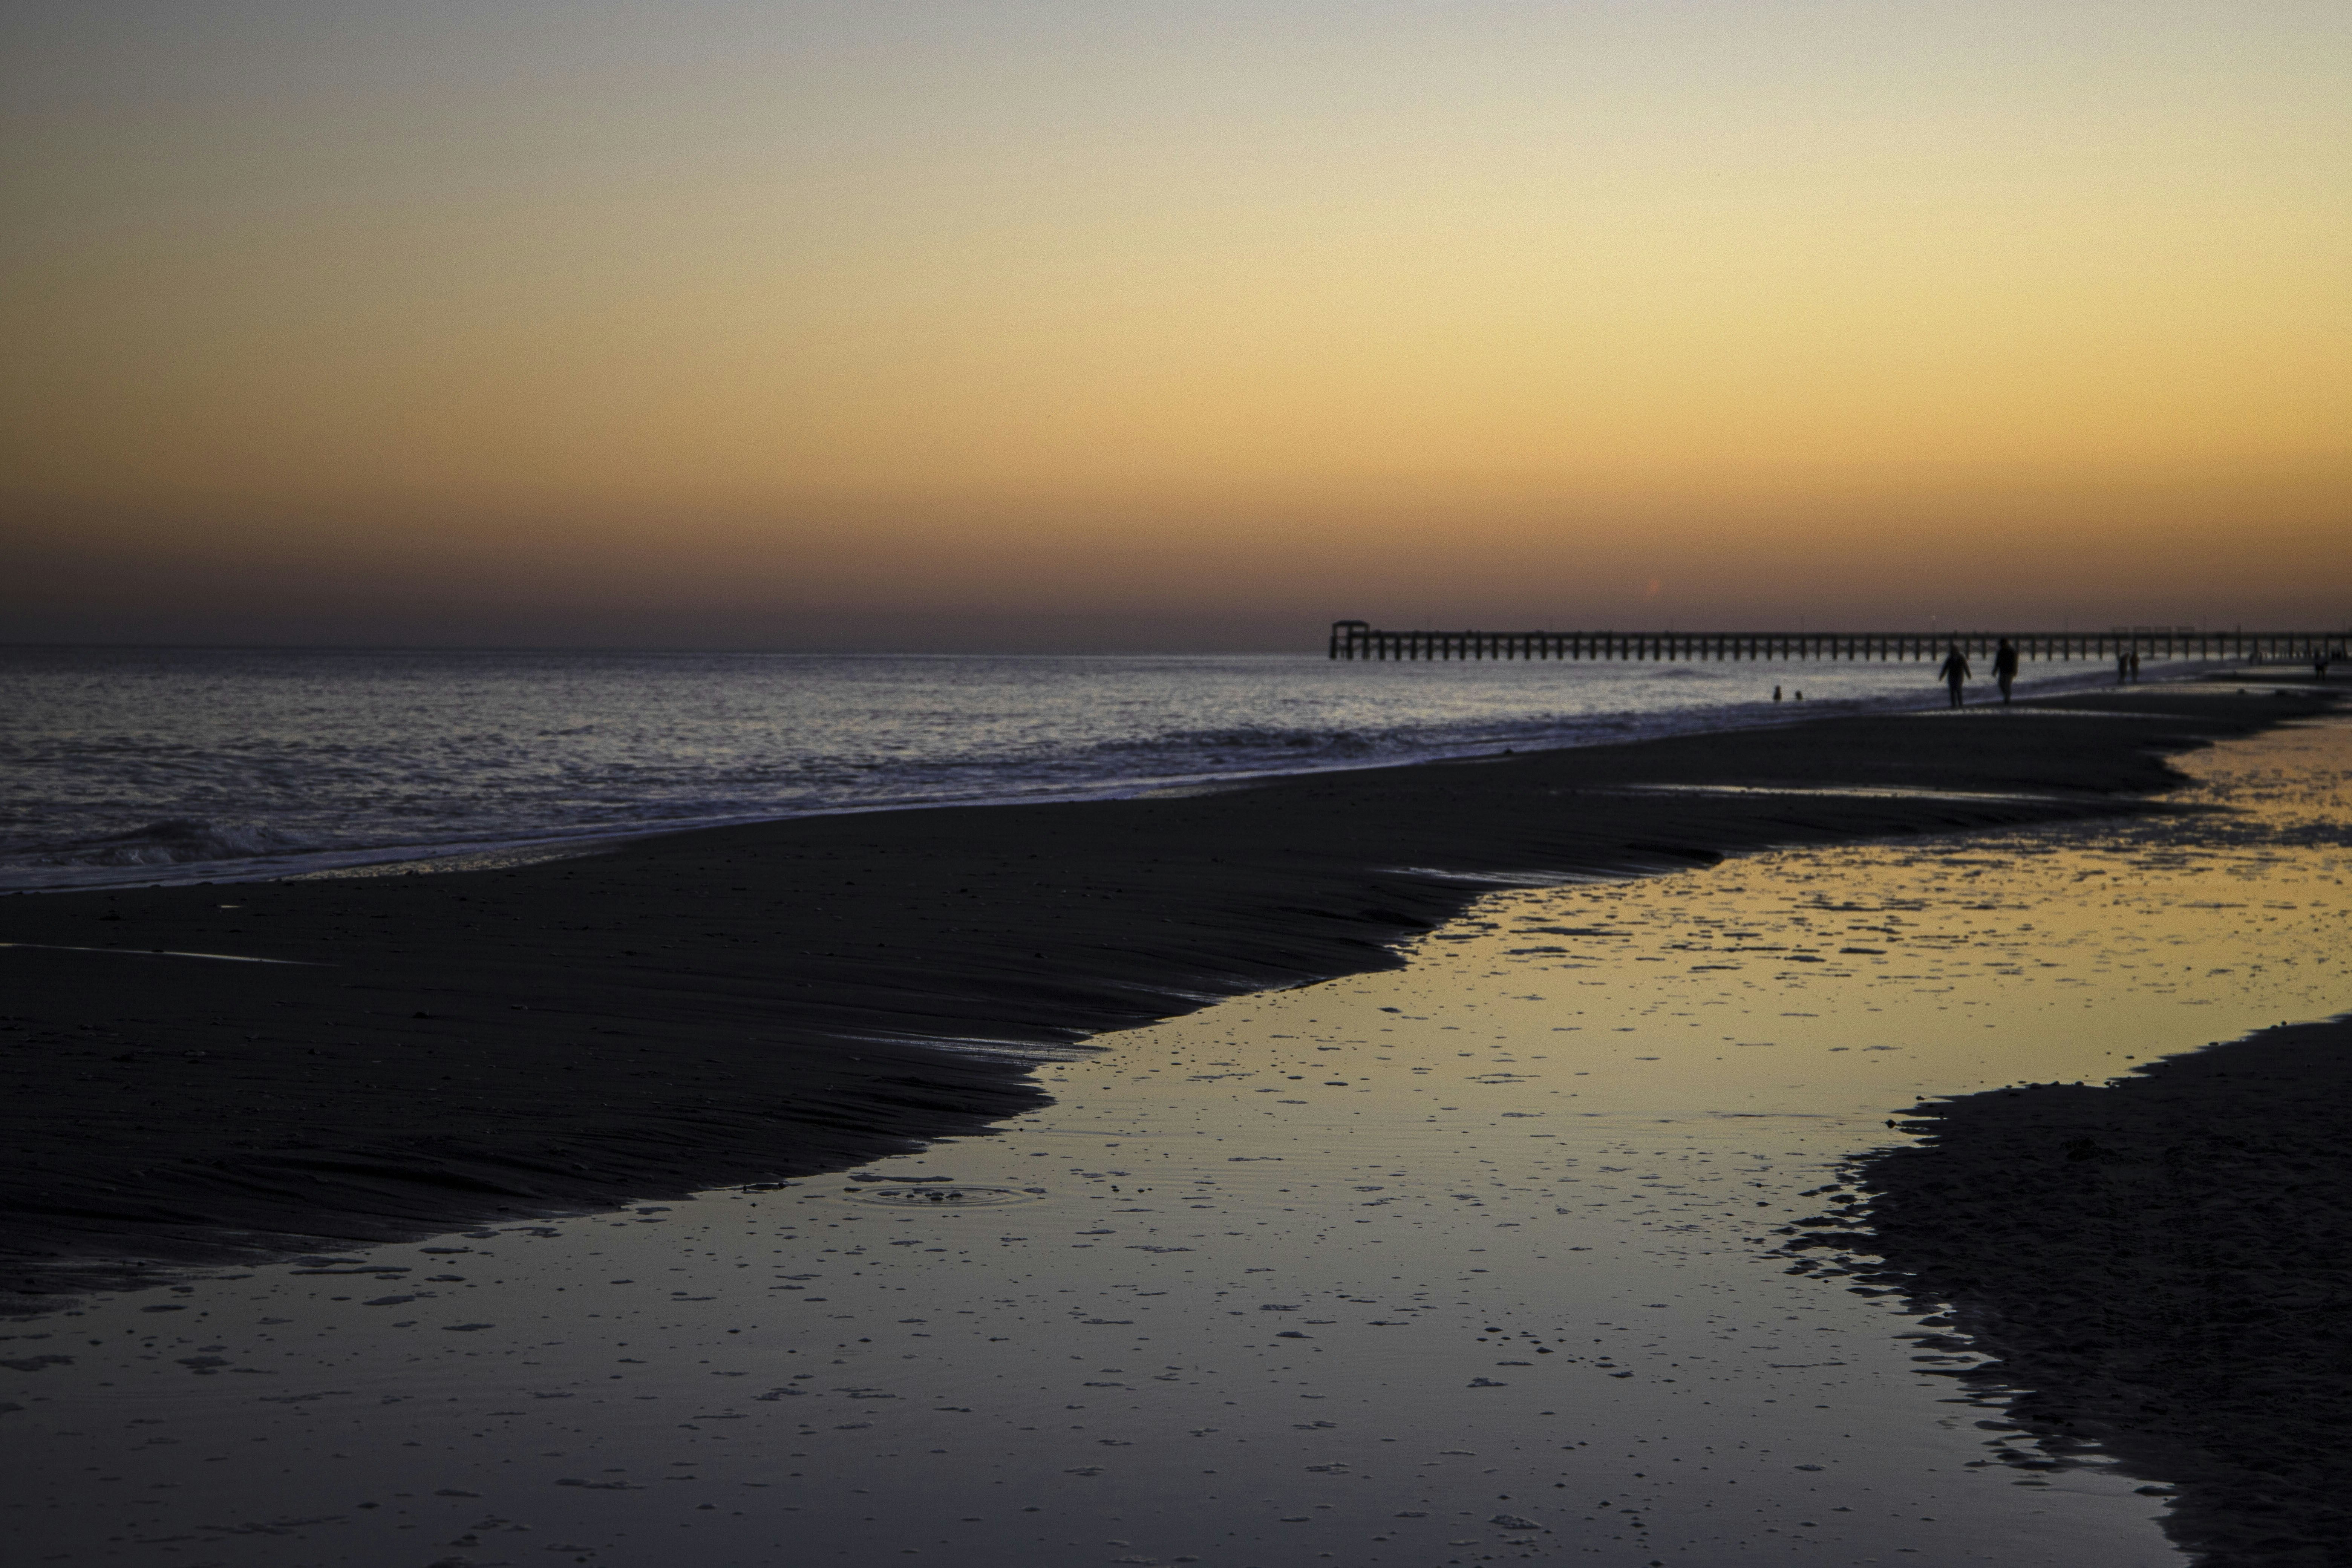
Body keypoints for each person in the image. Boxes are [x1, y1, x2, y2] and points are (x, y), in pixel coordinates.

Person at [1938, 643, 1971, 708]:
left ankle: (1960, 704)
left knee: (1958, 689)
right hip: (1952, 676)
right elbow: (1945, 668)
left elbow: (1965, 667)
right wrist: (1942, 676)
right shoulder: (1950, 658)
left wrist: (1968, 674)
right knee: (1952, 690)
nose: (1952, 651)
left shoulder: (1961, 658)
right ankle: (1954, 705)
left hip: (1959, 676)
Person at [1992, 638, 2020, 704]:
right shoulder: (2000, 652)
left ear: (2006, 644)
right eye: (2001, 645)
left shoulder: (2012, 652)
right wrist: (1995, 670)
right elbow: (1998, 662)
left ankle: (2007, 698)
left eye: (2003, 645)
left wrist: (2015, 671)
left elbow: (2015, 662)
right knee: (2001, 684)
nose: (2002, 646)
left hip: (2010, 672)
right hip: (2002, 671)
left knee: (2007, 685)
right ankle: (2007, 696)